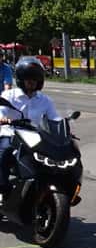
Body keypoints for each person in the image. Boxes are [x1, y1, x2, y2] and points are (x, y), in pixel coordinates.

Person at [0, 58, 61, 196]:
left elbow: (54, 118)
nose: (32, 81)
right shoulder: (9, 96)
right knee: (3, 153)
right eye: (28, 78)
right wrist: (3, 118)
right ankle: (2, 189)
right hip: (11, 134)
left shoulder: (45, 100)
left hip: (35, 138)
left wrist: (64, 126)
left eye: (35, 78)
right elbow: (1, 110)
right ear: (21, 79)